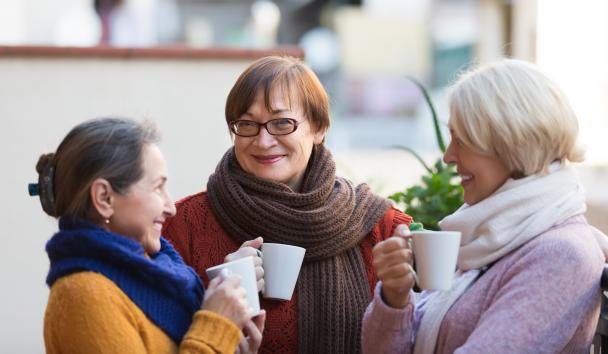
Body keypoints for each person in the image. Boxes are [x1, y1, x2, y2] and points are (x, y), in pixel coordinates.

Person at [162, 56, 412, 353]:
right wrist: (215, 298)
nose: (264, 140)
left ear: (319, 128)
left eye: (281, 123)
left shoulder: (384, 229)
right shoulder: (183, 226)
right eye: (247, 124)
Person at [362, 59, 606, 353]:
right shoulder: (488, 236)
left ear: (512, 142)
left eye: (461, 140)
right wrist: (395, 297)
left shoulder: (560, 254)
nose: (448, 157)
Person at [34, 117, 264, 354]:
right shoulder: (83, 296)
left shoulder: (156, 274)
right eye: (157, 187)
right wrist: (216, 330)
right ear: (104, 198)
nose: (170, 207)